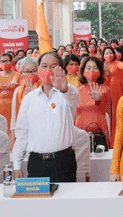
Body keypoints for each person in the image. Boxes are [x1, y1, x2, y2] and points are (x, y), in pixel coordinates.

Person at [13, 52, 80, 181]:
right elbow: (22, 134)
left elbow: (75, 98)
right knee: (38, 200)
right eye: (44, 66)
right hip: (36, 162)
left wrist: (64, 88)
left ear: (61, 69)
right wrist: (17, 165)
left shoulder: (67, 93)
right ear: (38, 69)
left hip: (64, 161)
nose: (48, 70)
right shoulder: (29, 99)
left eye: (53, 66)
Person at [75, 56, 111, 143]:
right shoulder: (77, 91)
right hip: (80, 129)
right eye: (88, 68)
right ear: (83, 71)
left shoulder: (105, 89)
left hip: (99, 130)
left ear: (100, 71)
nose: (91, 71)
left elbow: (103, 104)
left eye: (95, 68)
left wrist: (98, 99)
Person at [10, 57, 40, 147]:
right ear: (22, 72)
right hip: (23, 131)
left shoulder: (44, 88)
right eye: (27, 71)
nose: (30, 74)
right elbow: (14, 116)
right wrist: (12, 137)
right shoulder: (18, 90)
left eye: (34, 71)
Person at [0, 53, 20, 131]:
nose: (5, 63)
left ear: (12, 62)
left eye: (7, 61)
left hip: (12, 105)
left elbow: (15, 81)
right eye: (2, 61)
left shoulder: (17, 74)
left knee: (11, 127)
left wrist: (14, 82)